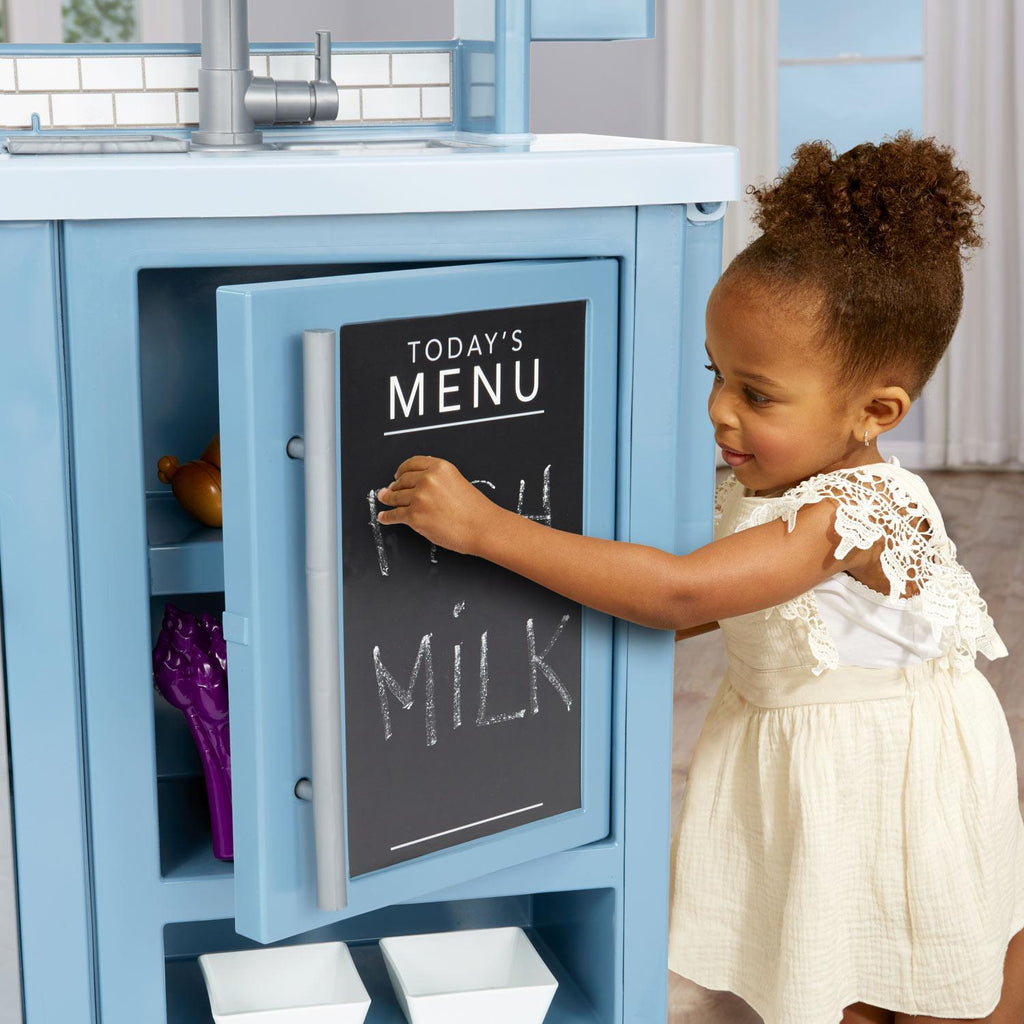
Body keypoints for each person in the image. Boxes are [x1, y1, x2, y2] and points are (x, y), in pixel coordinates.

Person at [374, 133, 1024, 1024]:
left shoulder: (858, 512)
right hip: (803, 765)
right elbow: (690, 611)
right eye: (715, 374)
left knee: (936, 965)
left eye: (757, 394)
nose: (719, 407)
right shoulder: (760, 489)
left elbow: (683, 592)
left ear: (875, 412)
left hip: (886, 767)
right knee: (830, 963)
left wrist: (490, 531)